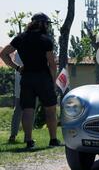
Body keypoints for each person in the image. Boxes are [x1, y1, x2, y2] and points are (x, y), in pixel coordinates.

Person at [0, 13, 60, 149]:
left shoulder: (20, 38)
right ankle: (53, 140)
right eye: (46, 24)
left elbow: (3, 54)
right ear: (41, 23)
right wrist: (53, 81)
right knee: (50, 109)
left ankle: (28, 141)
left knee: (27, 110)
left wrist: (17, 67)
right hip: (43, 78)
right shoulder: (46, 39)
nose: (47, 26)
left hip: (26, 78)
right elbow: (52, 63)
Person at [8, 52, 23, 143]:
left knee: (18, 109)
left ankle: (13, 135)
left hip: (20, 83)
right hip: (25, 82)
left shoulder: (18, 51)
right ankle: (27, 136)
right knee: (29, 110)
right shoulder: (20, 51)